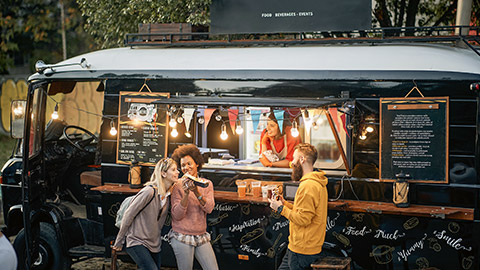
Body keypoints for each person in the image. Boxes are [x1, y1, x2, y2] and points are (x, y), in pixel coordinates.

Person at [269, 143, 328, 270]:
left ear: (302, 159)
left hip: (302, 249)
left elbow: (303, 219)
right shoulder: (317, 183)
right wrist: (285, 204)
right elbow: (304, 211)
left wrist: (280, 209)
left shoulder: (308, 186)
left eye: (294, 158)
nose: (291, 163)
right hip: (299, 246)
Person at [113, 157, 178, 270]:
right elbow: (129, 214)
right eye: (173, 169)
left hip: (154, 243)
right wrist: (119, 240)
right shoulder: (149, 191)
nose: (177, 172)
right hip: (136, 240)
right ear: (163, 173)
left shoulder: (167, 196)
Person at [169, 144, 218, 270]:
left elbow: (209, 209)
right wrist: (186, 194)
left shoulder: (206, 184)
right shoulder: (176, 185)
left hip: (201, 234)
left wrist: (196, 192)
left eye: (189, 163)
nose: (186, 167)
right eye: (183, 165)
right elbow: (177, 215)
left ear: (197, 163)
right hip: (181, 235)